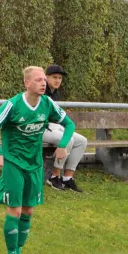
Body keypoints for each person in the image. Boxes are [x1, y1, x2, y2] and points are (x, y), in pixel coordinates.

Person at [0, 66, 75, 254]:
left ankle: (18, 253)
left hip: (35, 165)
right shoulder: (12, 105)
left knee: (28, 210)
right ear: (27, 83)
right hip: (14, 163)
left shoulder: (47, 103)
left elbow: (69, 125)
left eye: (44, 79)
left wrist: (62, 145)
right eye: (38, 80)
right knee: (15, 209)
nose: (43, 83)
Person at [43, 64, 88, 192]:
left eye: (60, 78)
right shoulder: (41, 90)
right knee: (68, 140)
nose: (57, 80)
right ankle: (54, 176)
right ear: (46, 77)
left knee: (82, 141)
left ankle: (67, 178)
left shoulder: (56, 94)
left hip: (56, 126)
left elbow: (59, 116)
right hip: (43, 128)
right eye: (54, 77)